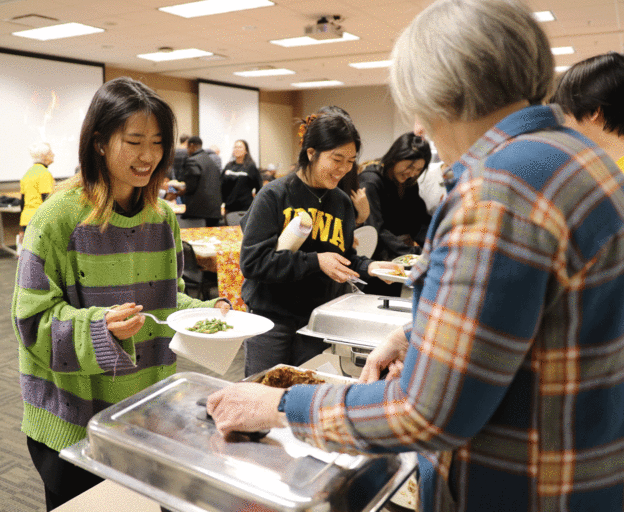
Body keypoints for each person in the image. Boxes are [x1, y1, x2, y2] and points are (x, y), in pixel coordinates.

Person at [207, 1, 624, 511]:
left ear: (442, 94)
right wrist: (417, 331)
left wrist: (281, 404)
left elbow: (427, 410)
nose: (423, 129)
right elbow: (540, 316)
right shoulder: (583, 162)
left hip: (519, 487)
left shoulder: (496, 192)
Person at [12, 77, 230, 511]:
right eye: (133, 141)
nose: (148, 156)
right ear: (98, 142)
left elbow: (167, 302)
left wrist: (211, 312)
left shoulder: (162, 216)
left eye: (157, 142)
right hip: (73, 423)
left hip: (144, 415)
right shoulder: (58, 217)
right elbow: (31, 322)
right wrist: (100, 328)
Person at [238, 110, 402, 377]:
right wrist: (316, 260)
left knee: (306, 393)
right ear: (311, 152)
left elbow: (343, 257)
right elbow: (253, 262)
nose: (344, 169)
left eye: (350, 161)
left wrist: (370, 268)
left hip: (316, 320)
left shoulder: (341, 203)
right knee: (261, 391)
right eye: (336, 159)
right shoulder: (275, 195)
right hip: (271, 319)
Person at [360, 132, 432, 261]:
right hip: (374, 257)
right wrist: (413, 252)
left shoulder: (409, 183)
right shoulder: (371, 181)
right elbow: (376, 229)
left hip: (397, 254)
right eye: (410, 166)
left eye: (418, 170)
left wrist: (433, 245)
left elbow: (419, 221)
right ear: (395, 157)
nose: (412, 173)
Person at [550, 51, 624, 171]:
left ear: (592, 112)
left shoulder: (613, 179)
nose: (559, 125)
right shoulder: (606, 170)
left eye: (562, 113)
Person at [18, 141, 55, 253]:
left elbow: (22, 202)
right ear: (43, 156)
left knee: (32, 253)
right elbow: (47, 198)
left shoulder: (27, 173)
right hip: (40, 219)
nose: (53, 155)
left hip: (27, 219)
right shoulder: (44, 173)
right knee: (44, 253)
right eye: (50, 153)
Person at [179, 135, 223, 227]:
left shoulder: (192, 161)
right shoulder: (210, 161)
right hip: (215, 210)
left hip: (198, 212)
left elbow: (191, 186)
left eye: (188, 148)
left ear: (191, 146)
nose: (187, 151)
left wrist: (181, 191)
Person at [220, 139, 263, 214]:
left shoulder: (250, 166)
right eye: (235, 147)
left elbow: (259, 187)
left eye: (240, 147)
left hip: (245, 207)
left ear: (246, 151)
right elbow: (221, 185)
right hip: (229, 207)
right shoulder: (228, 166)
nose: (237, 149)